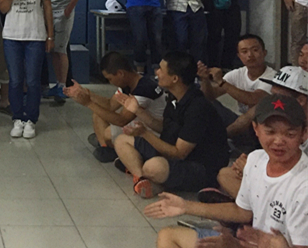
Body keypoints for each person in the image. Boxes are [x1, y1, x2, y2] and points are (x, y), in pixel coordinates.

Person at [146, 93, 308, 248]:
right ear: (256, 129)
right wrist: (185, 206)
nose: (278, 141)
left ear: (304, 134)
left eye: (290, 134)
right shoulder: (256, 159)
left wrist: (236, 246)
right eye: (270, 132)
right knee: (168, 236)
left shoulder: (303, 186)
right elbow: (243, 212)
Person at [113, 51, 229, 199]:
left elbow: (179, 153)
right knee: (121, 140)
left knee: (154, 166)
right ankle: (142, 178)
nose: (157, 72)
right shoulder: (175, 97)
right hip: (171, 153)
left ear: (175, 78)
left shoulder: (198, 107)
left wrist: (144, 133)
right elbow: (165, 127)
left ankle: (146, 173)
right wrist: (137, 110)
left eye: (161, 69)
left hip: (200, 166)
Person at [212, 61, 308, 201]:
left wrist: (254, 172)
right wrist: (252, 166)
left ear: (301, 100)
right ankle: (249, 206)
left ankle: (245, 207)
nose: (273, 102)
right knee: (226, 174)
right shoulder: (274, 118)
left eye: (279, 98)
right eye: (272, 95)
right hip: (276, 183)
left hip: (298, 192)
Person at [64, 51, 166, 162]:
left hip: (152, 132)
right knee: (98, 115)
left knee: (108, 133)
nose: (110, 82)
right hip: (139, 124)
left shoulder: (143, 90)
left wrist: (88, 103)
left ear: (120, 73)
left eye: (110, 79)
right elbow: (110, 105)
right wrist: (87, 93)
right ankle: (106, 148)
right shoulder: (129, 84)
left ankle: (113, 148)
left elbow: (121, 120)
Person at [0, 0, 53, 139]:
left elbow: (47, 7)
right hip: (12, 35)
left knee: (33, 80)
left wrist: (50, 35)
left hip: (35, 35)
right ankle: (17, 118)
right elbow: (2, 9)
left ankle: (31, 119)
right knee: (15, 80)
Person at [197, 34, 275, 153]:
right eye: (244, 51)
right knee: (205, 103)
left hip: (260, 128)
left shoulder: (273, 76)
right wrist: (205, 79)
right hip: (239, 123)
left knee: (255, 109)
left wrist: (221, 82)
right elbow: (210, 96)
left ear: (264, 53)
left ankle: (219, 139)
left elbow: (252, 99)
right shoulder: (237, 73)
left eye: (255, 50)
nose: (250, 55)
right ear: (239, 56)